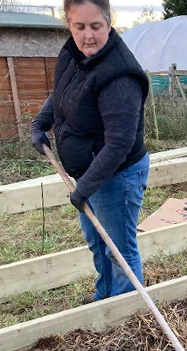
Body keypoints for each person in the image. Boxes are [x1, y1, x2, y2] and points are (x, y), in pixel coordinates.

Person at [31, 0, 150, 304]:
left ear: (109, 23)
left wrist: (85, 187)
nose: (88, 36)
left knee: (118, 248)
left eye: (96, 26)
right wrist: (41, 124)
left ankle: (124, 312)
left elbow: (119, 145)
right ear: (68, 25)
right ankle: (104, 299)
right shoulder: (74, 54)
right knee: (98, 243)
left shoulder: (119, 76)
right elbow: (64, 93)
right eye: (79, 26)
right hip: (88, 172)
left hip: (116, 175)